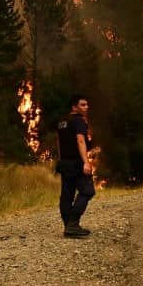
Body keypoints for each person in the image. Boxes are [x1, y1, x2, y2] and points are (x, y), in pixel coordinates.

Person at [56, 95, 96, 238]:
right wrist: (86, 161)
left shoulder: (62, 122)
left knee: (67, 194)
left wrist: (60, 161)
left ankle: (68, 227)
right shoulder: (78, 121)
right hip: (76, 163)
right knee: (88, 190)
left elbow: (59, 142)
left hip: (65, 163)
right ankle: (73, 224)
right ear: (74, 107)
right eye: (83, 105)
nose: (86, 107)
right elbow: (80, 141)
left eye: (87, 105)